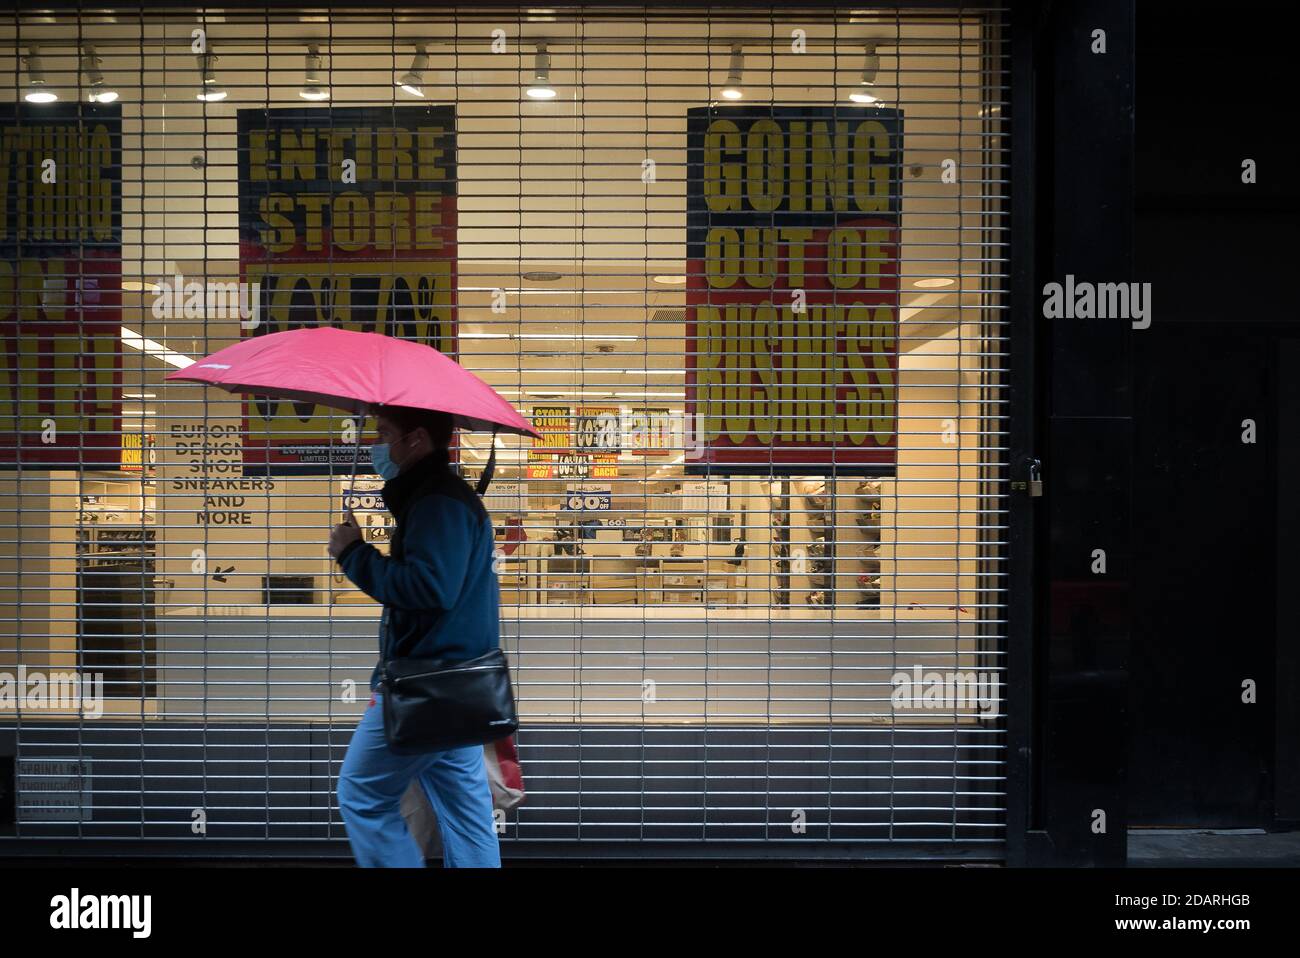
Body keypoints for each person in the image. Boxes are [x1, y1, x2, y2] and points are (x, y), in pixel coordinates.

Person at [327, 404, 502, 868]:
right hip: (457, 686)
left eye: (384, 433)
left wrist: (354, 554)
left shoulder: (436, 502)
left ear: (417, 438)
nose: (376, 444)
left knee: (363, 793)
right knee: (467, 818)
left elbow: (427, 588)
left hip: (426, 685)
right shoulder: (439, 497)